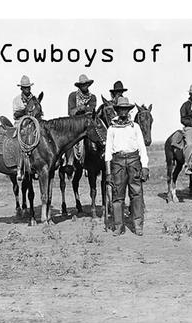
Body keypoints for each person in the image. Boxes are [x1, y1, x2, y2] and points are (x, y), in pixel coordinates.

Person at [105, 97, 149, 236]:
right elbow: (108, 151)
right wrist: (108, 172)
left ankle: (137, 225)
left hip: (133, 161)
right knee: (117, 196)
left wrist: (145, 166)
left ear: (128, 110)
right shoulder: (111, 128)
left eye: (125, 109)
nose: (123, 112)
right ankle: (118, 226)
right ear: (117, 110)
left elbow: (142, 147)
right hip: (117, 162)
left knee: (136, 194)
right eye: (120, 109)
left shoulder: (134, 126)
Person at [64, 74, 97, 173]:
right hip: (75, 123)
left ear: (88, 85)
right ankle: (68, 161)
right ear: (79, 86)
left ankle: (92, 161)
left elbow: (91, 111)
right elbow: (71, 112)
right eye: (82, 85)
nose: (84, 86)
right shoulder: (73, 96)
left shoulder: (93, 97)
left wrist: (82, 109)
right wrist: (81, 108)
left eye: (86, 84)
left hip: (87, 123)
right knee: (68, 139)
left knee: (96, 137)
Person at [12, 75, 38, 180]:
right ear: (21, 88)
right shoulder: (17, 100)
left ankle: (36, 164)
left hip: (32, 122)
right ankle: (19, 167)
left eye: (28, 87)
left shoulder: (34, 98)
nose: (27, 89)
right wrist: (26, 110)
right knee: (20, 138)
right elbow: (15, 114)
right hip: (20, 123)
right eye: (25, 87)